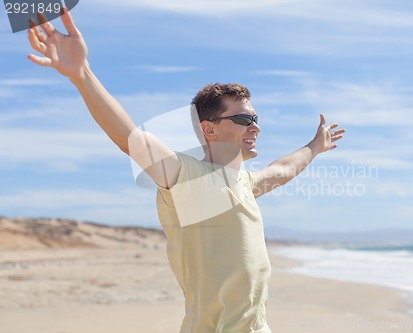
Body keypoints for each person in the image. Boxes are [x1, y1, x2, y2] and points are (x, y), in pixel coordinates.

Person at [27, 9, 345, 333]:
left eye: (256, 119)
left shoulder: (245, 182)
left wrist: (315, 146)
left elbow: (283, 169)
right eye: (244, 120)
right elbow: (130, 139)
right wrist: (83, 75)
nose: (255, 128)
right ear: (209, 129)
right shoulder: (188, 177)